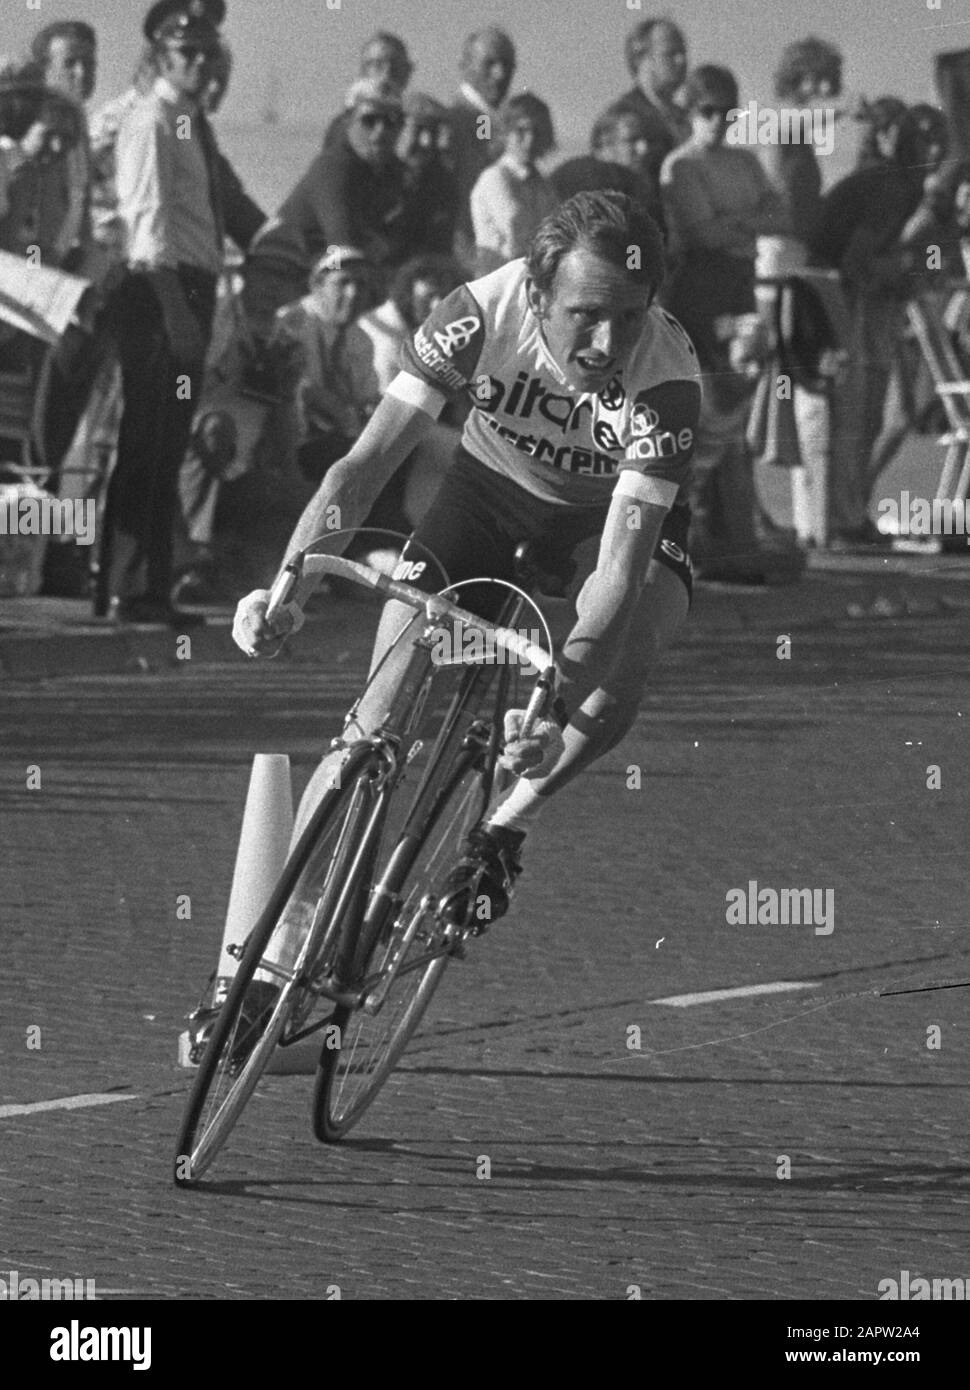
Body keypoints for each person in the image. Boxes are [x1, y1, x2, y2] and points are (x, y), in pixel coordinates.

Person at [231, 190, 701, 999]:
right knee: (375, 721)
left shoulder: (666, 381)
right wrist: (289, 585)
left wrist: (550, 707)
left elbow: (616, 575)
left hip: (603, 518)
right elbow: (364, 467)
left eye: (628, 317)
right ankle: (274, 962)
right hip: (486, 495)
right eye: (586, 315)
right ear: (535, 293)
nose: (607, 341)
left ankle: (508, 819)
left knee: (638, 641)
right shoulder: (477, 314)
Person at [95, 1, 227, 625]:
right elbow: (146, 227)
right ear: (158, 55)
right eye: (185, 52)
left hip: (191, 286)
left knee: (167, 440)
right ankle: (129, 584)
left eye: (206, 51)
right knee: (147, 438)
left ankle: (147, 584)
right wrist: (177, 314)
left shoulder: (188, 121)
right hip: (160, 293)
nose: (200, 62)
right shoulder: (150, 119)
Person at [660, 66, 792, 580]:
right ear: (690, 112)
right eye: (706, 110)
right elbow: (701, 235)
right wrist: (746, 222)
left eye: (726, 110)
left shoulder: (744, 160)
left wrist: (731, 223)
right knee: (705, 408)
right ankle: (685, 534)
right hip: (702, 290)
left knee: (737, 403)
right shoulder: (681, 165)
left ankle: (729, 537)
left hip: (742, 284)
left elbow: (781, 217)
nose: (716, 121)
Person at [811, 106, 945, 546]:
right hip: (847, 303)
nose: (936, 150)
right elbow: (855, 262)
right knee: (856, 413)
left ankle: (850, 515)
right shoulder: (892, 188)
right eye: (926, 141)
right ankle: (841, 521)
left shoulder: (900, 185)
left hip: (862, 303)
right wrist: (902, 271)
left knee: (866, 415)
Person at [242, 78, 407, 341]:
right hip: (277, 279)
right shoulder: (333, 167)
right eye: (369, 120)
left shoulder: (387, 172)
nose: (380, 132)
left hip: (315, 278)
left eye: (392, 122)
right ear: (347, 121)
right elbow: (344, 247)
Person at [447, 27, 517, 271]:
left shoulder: (500, 123)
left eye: (507, 65)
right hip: (466, 260)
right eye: (489, 63)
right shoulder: (456, 122)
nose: (499, 74)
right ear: (464, 65)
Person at [470, 92, 559, 276]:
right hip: (498, 282)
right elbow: (516, 236)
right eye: (521, 131)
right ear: (505, 133)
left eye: (537, 131)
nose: (530, 140)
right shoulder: (495, 178)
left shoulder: (543, 184)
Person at [551, 104, 666, 235]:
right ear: (604, 144)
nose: (644, 149)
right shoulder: (578, 178)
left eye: (648, 140)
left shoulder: (642, 184)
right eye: (631, 140)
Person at [611, 17, 690, 195]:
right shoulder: (621, 119)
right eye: (671, 53)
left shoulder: (690, 117)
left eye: (683, 52)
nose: (682, 60)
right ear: (642, 59)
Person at [322, 32, 414, 151]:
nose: (387, 72)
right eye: (378, 64)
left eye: (395, 65)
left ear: (408, 71)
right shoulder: (346, 126)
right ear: (362, 70)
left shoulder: (417, 124)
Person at [395, 93, 460, 260]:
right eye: (418, 130)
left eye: (433, 132)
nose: (426, 142)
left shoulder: (441, 183)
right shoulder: (371, 177)